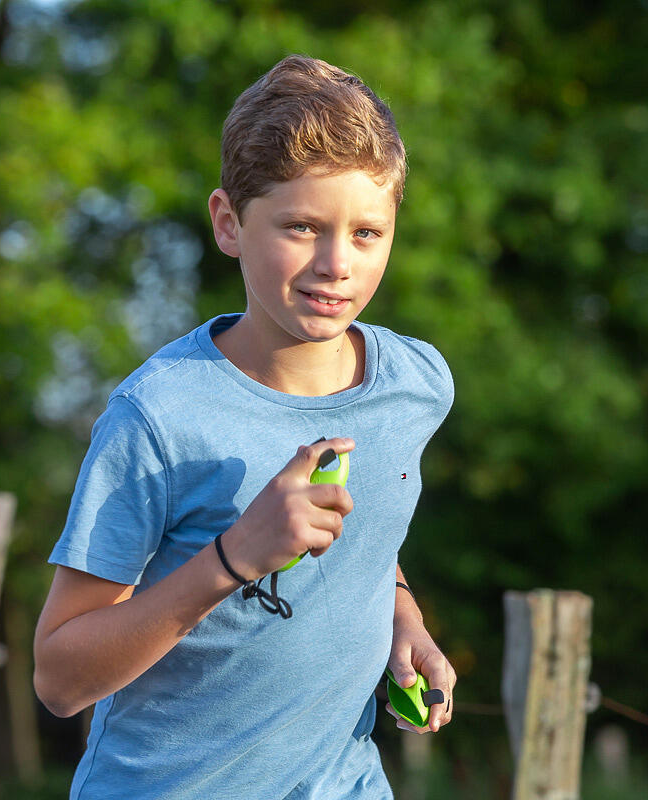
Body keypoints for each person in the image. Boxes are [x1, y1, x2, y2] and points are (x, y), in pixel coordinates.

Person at [34, 54, 457, 799]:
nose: (336, 264)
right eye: (301, 227)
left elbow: (369, 544)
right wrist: (232, 558)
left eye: (367, 233)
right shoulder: (158, 416)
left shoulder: (417, 385)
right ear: (229, 223)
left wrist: (404, 617)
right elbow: (60, 678)